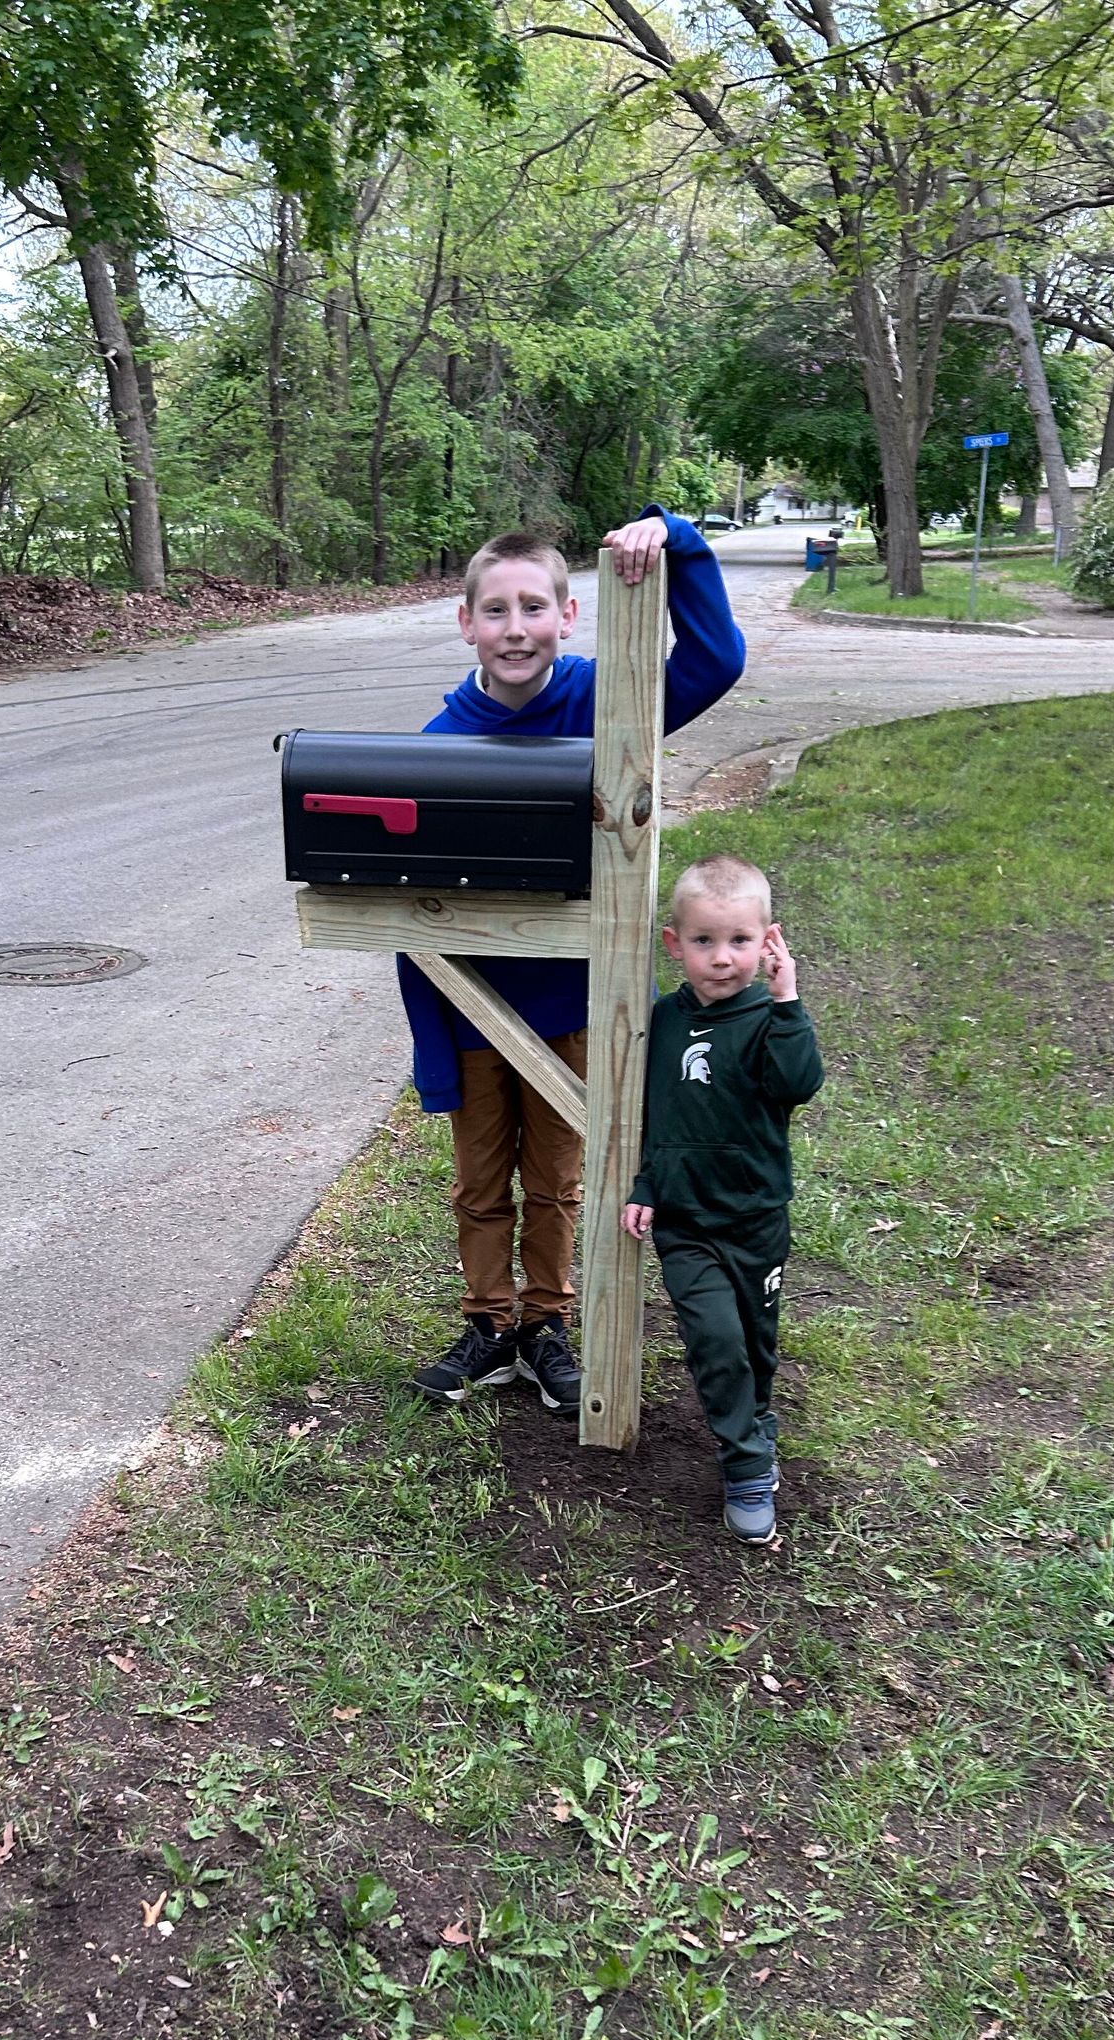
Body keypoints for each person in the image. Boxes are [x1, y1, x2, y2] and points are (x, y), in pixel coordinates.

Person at [402, 509, 747, 1415]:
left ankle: (546, 1322)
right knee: (480, 1182)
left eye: (533, 608)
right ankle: (490, 1326)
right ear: (466, 622)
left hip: (574, 1003)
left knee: (555, 1180)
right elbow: (413, 915)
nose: (515, 629)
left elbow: (716, 662)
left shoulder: (612, 697)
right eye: (497, 611)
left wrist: (680, 539)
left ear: (566, 615)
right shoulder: (438, 746)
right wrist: (432, 1050)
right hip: (474, 1006)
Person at [622, 854, 823, 1544]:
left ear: (767, 940)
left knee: (755, 1348)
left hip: (757, 1219)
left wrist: (788, 999)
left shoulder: (771, 1022)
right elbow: (659, 1115)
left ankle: (753, 1422)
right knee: (715, 1340)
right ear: (675, 944)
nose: (722, 958)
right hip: (687, 1223)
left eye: (740, 941)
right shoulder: (664, 1023)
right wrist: (647, 1185)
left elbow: (799, 1084)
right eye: (704, 941)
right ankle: (745, 1466)